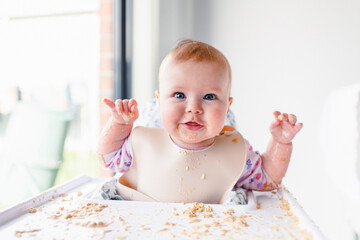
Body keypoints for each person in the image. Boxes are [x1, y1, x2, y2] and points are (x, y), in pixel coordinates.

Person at [97, 39, 303, 204]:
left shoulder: (235, 153)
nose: (193, 108)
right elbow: (109, 157)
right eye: (179, 95)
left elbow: (267, 178)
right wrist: (119, 125)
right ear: (159, 102)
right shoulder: (143, 145)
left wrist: (280, 143)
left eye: (209, 97)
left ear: (227, 106)